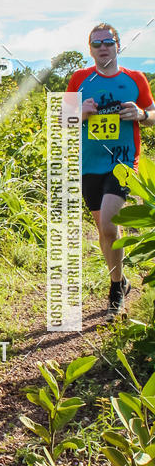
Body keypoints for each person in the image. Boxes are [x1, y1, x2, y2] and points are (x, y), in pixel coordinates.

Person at [65, 22, 155, 317]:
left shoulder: (135, 79)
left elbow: (153, 113)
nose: (103, 48)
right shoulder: (80, 78)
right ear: (89, 49)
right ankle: (121, 280)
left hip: (123, 161)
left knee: (107, 223)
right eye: (96, 43)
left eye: (108, 42)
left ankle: (115, 291)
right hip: (90, 164)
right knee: (105, 232)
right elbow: (62, 119)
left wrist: (141, 114)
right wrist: (81, 112)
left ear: (118, 45)